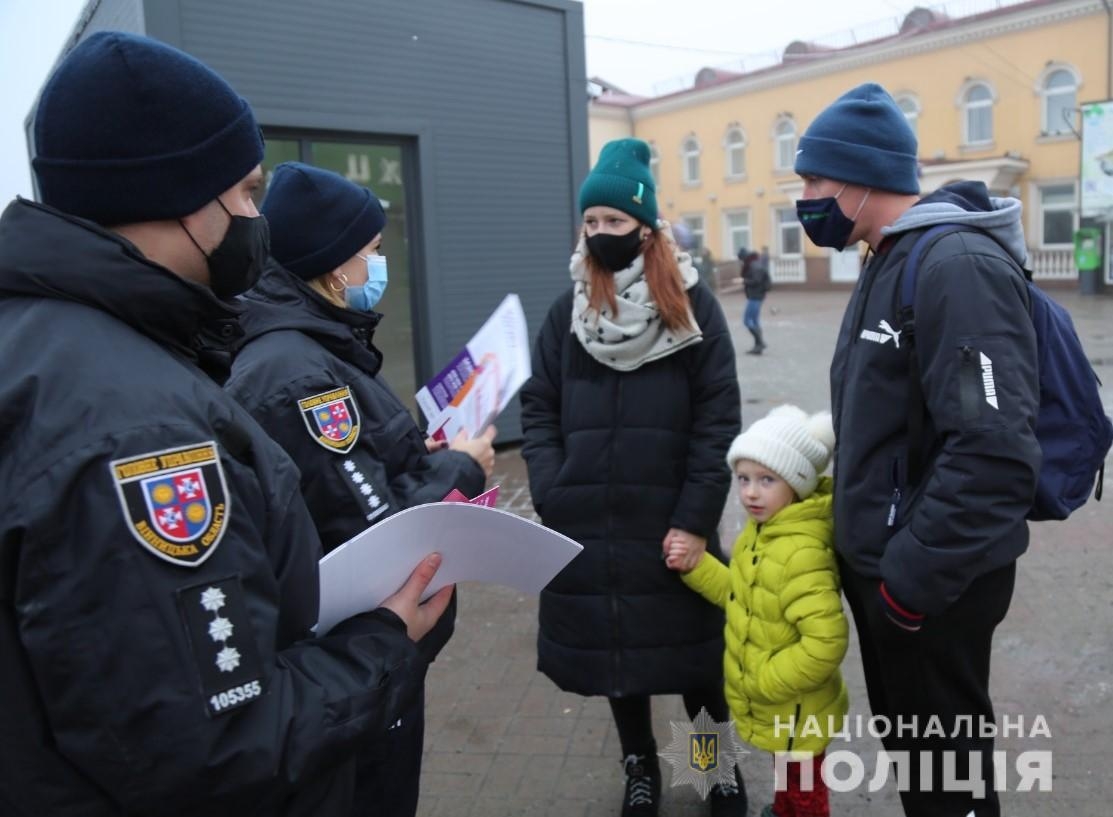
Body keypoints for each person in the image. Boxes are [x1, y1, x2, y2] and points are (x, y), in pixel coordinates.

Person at [0, 31, 453, 817]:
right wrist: (384, 643)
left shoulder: (48, 346)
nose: (255, 218)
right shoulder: (133, 423)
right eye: (244, 193)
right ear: (177, 194)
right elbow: (215, 743)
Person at [795, 82, 1041, 817]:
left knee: (947, 777)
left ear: (862, 175)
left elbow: (993, 452)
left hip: (933, 584)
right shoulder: (890, 258)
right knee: (922, 770)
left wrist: (906, 582)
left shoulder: (952, 266)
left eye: (813, 180)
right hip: (899, 575)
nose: (802, 197)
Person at [224, 161, 496, 816]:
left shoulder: (312, 345)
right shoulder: (296, 370)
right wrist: (461, 467)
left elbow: (348, 472)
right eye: (371, 253)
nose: (378, 267)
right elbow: (377, 533)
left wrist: (418, 453)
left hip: (359, 660)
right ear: (332, 263)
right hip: (350, 659)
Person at [519, 138, 746, 817]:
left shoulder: (692, 310)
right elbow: (538, 404)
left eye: (612, 222)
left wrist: (695, 515)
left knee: (696, 662)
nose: (599, 235)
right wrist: (551, 485)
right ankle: (639, 767)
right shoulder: (568, 313)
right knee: (619, 661)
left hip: (672, 522)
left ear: (644, 228)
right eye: (590, 223)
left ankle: (713, 769)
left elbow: (717, 415)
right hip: (587, 521)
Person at [666, 406, 849, 817]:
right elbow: (743, 596)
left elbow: (826, 640)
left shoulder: (800, 551)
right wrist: (698, 568)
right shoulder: (763, 534)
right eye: (744, 478)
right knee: (788, 779)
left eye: (767, 480)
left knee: (807, 796)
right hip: (784, 711)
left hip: (797, 711)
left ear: (797, 484)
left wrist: (765, 680)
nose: (750, 492)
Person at [737, 247, 771, 354]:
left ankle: (760, 343)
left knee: (747, 321)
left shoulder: (754, 265)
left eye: (741, 260)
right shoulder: (755, 263)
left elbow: (756, 281)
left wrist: (743, 280)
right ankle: (758, 346)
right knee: (755, 321)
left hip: (755, 297)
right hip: (757, 296)